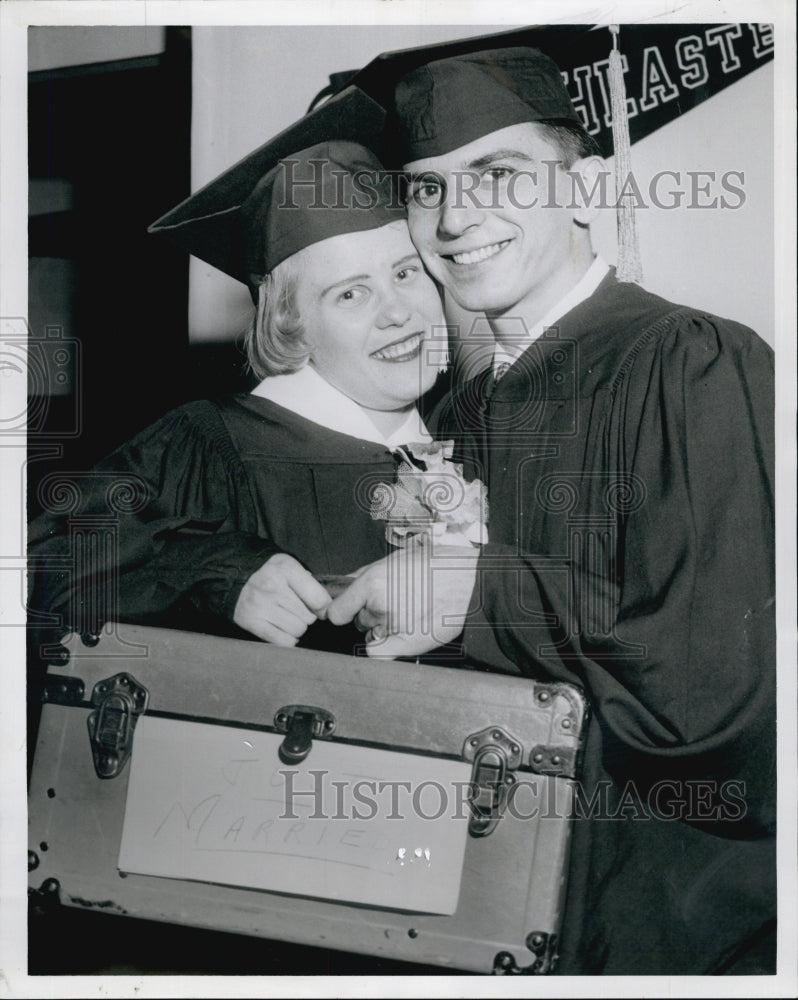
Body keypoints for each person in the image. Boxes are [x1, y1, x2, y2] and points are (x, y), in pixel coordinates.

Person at [328, 38, 776, 974]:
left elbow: (719, 689)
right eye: (426, 187)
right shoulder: (462, 407)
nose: (456, 219)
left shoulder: (687, 362)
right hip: (491, 908)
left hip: (670, 919)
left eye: (497, 174)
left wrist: (476, 594)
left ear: (584, 184)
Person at [27, 91, 448, 657]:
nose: (397, 311)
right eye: (351, 293)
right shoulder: (210, 443)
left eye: (405, 272)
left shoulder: (475, 426)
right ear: (291, 327)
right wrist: (214, 574)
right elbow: (44, 574)